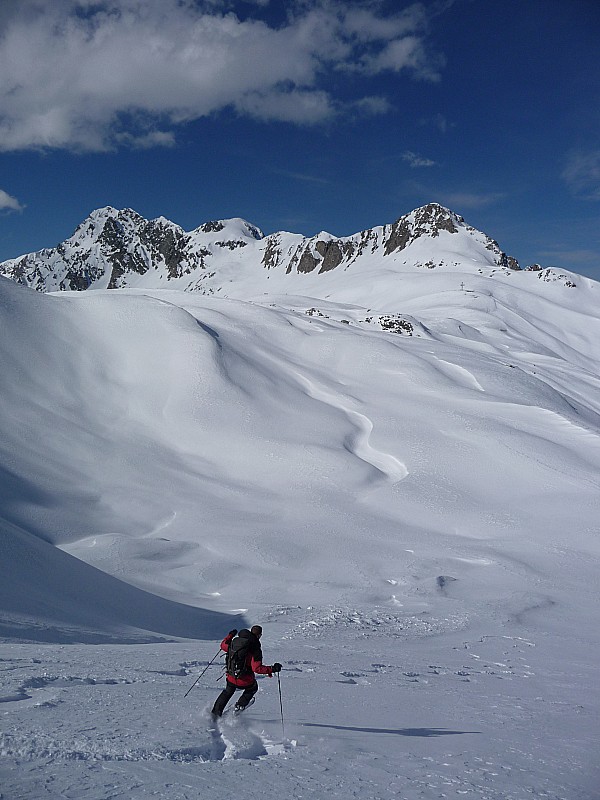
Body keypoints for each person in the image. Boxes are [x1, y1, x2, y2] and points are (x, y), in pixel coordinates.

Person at [211, 625, 281, 717]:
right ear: (259, 635)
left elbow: (223, 645)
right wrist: (272, 669)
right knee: (253, 688)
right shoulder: (255, 648)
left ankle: (215, 713)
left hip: (231, 675)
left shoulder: (235, 642)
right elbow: (257, 669)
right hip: (244, 679)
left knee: (228, 691)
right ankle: (239, 707)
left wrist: (230, 635)